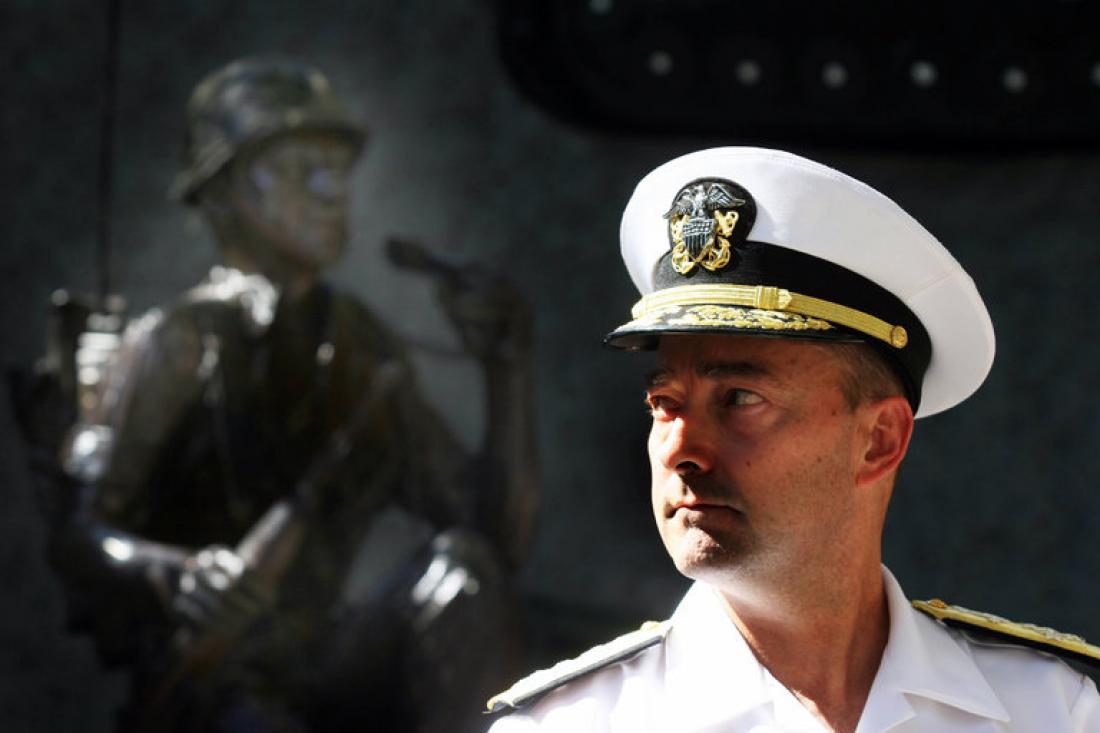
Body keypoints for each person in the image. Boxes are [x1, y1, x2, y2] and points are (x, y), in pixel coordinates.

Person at [485, 147, 1099, 732]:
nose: (681, 449)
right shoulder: (568, 724)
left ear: (879, 440)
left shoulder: (1052, 711)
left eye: (740, 399)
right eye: (665, 404)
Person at [51, 58, 537, 732]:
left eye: (336, 169)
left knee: (462, 572)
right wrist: (180, 572)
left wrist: (507, 369)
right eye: (294, 168)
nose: (330, 189)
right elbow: (80, 534)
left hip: (318, 664)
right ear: (221, 190)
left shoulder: (360, 348)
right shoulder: (182, 340)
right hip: (211, 680)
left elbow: (494, 539)